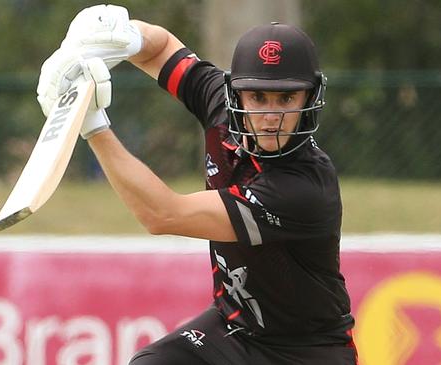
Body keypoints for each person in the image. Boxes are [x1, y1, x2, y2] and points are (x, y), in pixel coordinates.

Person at [36, 5, 358, 365]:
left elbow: (162, 215)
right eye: (257, 97)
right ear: (235, 95)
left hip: (307, 353)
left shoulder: (304, 189)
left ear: (309, 99)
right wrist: (122, 36)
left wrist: (93, 124)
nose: (270, 116)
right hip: (233, 328)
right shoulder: (219, 104)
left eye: (286, 98)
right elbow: (161, 49)